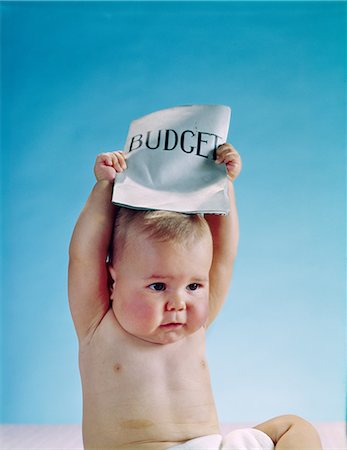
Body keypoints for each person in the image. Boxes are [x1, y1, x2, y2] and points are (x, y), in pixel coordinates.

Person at [68, 143, 322, 450]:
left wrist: (221, 184)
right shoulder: (98, 326)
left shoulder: (194, 328)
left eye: (193, 287)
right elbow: (83, 257)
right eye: (158, 286)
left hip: (210, 446)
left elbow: (223, 253)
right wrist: (104, 188)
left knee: (294, 427)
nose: (179, 303)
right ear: (112, 281)